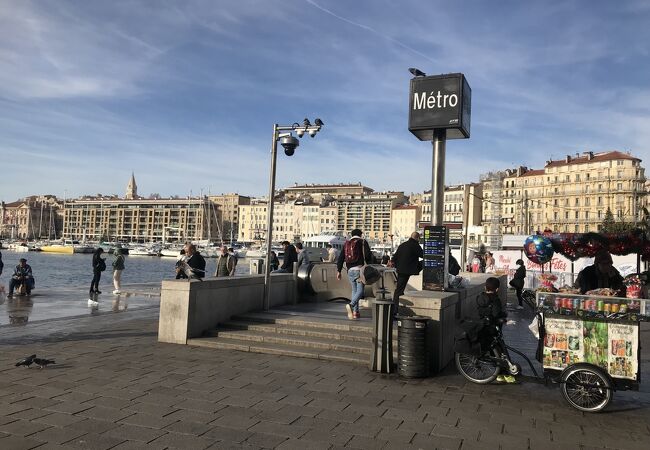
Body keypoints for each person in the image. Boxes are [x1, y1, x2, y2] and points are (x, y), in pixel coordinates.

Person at [476, 277, 514, 383]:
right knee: (501, 352)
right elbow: (496, 315)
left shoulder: (480, 298)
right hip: (493, 329)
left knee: (494, 351)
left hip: (484, 327)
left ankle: (500, 374)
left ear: (485, 287)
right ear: (497, 289)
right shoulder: (495, 300)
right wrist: (506, 320)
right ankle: (504, 374)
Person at [337, 229, 373, 320]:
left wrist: (339, 271)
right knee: (360, 291)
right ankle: (351, 305)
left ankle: (355, 312)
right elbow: (368, 255)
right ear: (360, 235)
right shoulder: (363, 242)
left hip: (350, 271)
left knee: (354, 291)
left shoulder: (347, 243)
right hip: (359, 270)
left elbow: (341, 258)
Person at [390, 232, 423, 316]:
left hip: (400, 269)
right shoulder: (415, 245)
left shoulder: (403, 245)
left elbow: (395, 256)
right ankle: (395, 309)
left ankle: (395, 308)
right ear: (417, 238)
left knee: (399, 288)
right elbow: (423, 255)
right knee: (399, 289)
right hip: (408, 270)